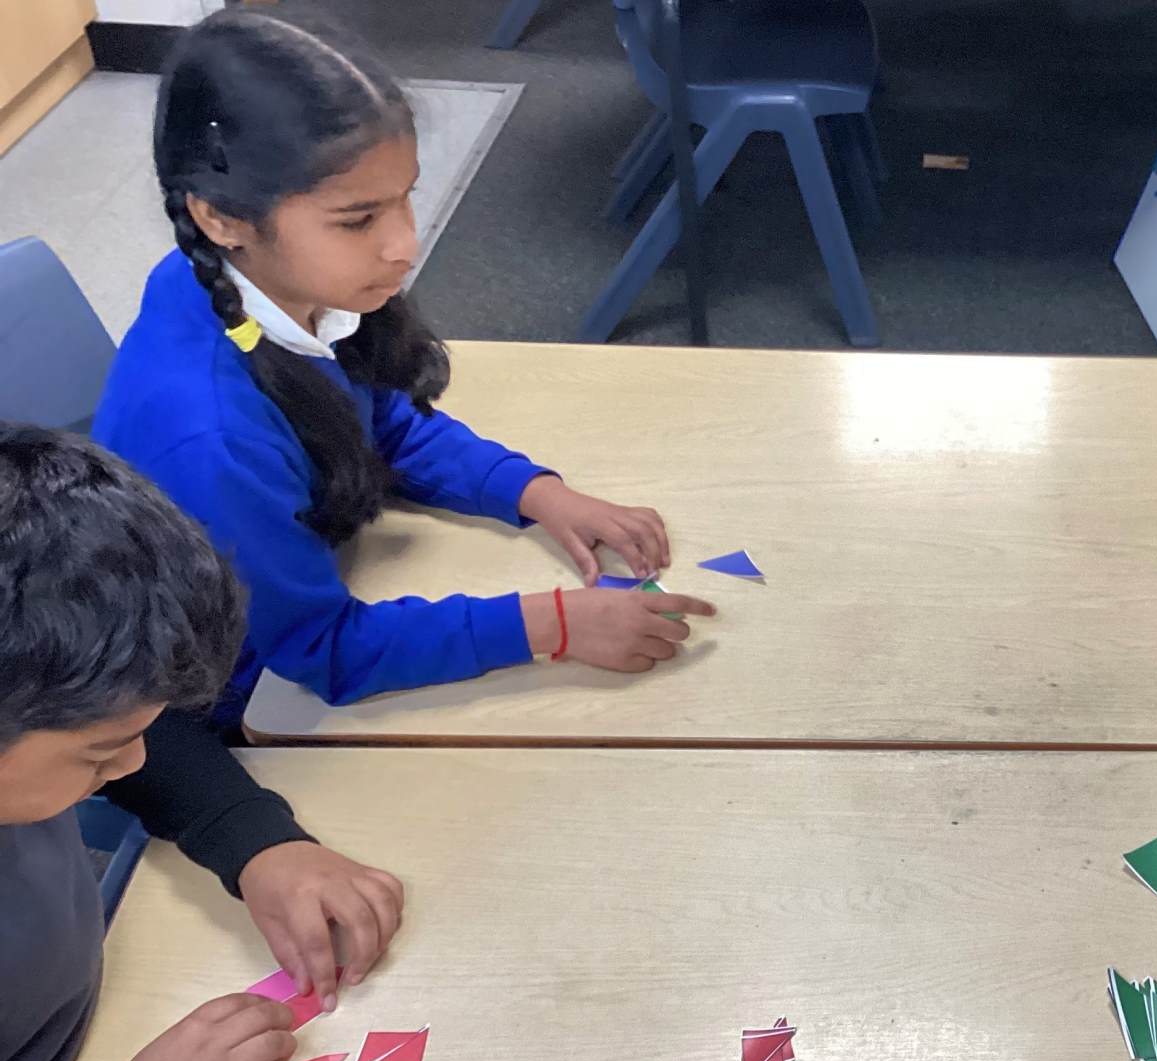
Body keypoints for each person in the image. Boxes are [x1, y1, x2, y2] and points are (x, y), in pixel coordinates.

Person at [92, 9, 715, 726]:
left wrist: (534, 491)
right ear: (222, 218)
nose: (405, 245)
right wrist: (554, 624)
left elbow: (379, 418)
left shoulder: (268, 283)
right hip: (238, 700)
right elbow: (317, 650)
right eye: (358, 219)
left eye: (406, 198)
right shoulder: (212, 438)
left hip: (317, 573)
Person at [0, 423, 402, 1061]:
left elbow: (125, 723)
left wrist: (255, 841)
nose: (134, 762)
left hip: (91, 1015)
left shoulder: (40, 702)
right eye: (99, 757)